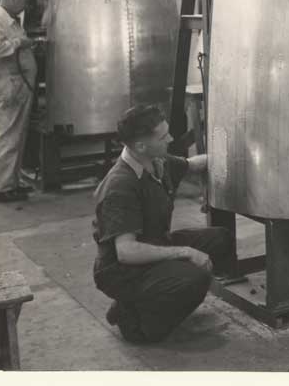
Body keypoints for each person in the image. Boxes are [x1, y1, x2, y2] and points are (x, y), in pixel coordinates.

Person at [93, 104, 234, 344]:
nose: (170, 138)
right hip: (121, 270)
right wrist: (186, 252)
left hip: (154, 243)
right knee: (194, 277)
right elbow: (126, 252)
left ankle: (135, 302)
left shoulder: (156, 161)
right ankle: (136, 324)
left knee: (221, 239)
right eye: (163, 136)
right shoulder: (121, 186)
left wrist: (233, 156)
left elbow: (192, 164)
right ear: (140, 145)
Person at [0, 0, 38, 202]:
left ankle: (11, 182)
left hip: (18, 85)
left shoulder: (9, 20)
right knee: (7, 136)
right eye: (24, 1)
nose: (25, 7)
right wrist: (19, 42)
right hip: (8, 86)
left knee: (16, 136)